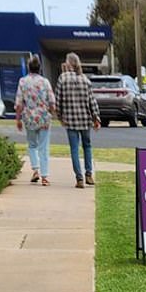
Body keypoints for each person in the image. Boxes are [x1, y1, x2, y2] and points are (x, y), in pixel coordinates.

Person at [55, 52, 101, 189]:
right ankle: (89, 174)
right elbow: (92, 101)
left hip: (70, 120)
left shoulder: (62, 79)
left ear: (68, 63)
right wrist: (96, 118)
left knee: (74, 149)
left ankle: (79, 178)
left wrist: (60, 117)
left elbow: (58, 101)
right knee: (87, 146)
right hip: (85, 120)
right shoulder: (85, 80)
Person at [15, 55, 56, 186]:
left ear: (29, 67)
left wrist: (18, 119)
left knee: (32, 145)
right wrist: (51, 113)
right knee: (43, 147)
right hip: (43, 117)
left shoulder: (23, 82)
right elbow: (52, 101)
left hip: (29, 118)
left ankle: (35, 170)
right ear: (40, 68)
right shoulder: (45, 82)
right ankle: (44, 176)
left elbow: (19, 102)